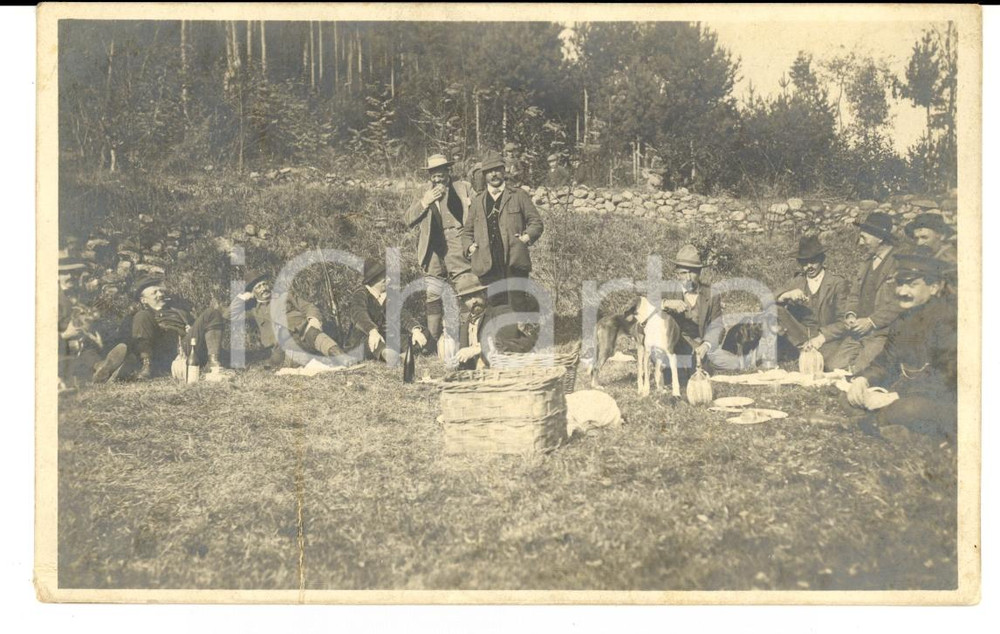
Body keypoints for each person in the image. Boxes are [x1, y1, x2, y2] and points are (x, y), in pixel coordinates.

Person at [846, 249, 957, 441]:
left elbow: (946, 376)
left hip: (938, 396)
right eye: (900, 284)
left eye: (912, 285)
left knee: (908, 408)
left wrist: (895, 395)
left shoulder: (947, 319)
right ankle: (892, 427)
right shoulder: (902, 319)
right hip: (906, 393)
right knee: (849, 396)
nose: (902, 292)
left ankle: (868, 424)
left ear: (934, 287)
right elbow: (885, 362)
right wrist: (863, 380)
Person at [92, 276, 226, 382]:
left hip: (184, 350)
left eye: (161, 291)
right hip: (158, 352)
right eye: (154, 292)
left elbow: (201, 330)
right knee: (142, 316)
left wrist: (190, 327)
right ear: (144, 300)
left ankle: (213, 362)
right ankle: (145, 366)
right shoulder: (137, 316)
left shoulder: (180, 312)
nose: (160, 294)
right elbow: (125, 339)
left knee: (211, 313)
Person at [404, 154, 476, 343]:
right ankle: (432, 342)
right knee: (433, 293)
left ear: (447, 171)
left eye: (440, 174)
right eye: (433, 175)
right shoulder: (423, 192)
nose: (437, 179)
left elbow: (479, 213)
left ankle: (469, 337)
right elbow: (408, 219)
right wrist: (424, 202)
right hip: (433, 247)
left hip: (458, 241)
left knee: (467, 286)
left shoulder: (463, 188)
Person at [822, 212, 906, 374]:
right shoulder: (866, 263)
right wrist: (850, 315)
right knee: (832, 367)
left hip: (881, 333)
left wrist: (871, 321)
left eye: (864, 238)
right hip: (857, 332)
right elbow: (854, 295)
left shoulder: (899, 263)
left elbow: (900, 302)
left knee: (862, 371)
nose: (860, 243)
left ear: (879, 237)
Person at [462, 151, 544, 311]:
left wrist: (525, 238)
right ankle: (500, 336)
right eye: (489, 171)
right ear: (484, 174)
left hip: (514, 261)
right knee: (495, 308)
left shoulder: (518, 195)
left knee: (517, 305)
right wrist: (470, 248)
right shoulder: (478, 201)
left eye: (497, 169)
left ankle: (520, 335)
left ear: (504, 171)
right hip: (487, 264)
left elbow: (536, 223)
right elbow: (466, 232)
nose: (494, 174)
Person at [660, 244, 753, 374]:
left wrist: (707, 344)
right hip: (674, 345)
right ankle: (686, 366)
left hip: (701, 346)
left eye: (692, 273)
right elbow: (642, 304)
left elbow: (717, 324)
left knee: (737, 364)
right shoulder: (667, 290)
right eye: (683, 273)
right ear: (677, 274)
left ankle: (695, 364)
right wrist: (665, 303)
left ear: (700, 273)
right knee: (678, 364)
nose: (688, 278)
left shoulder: (711, 293)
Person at [228, 270, 343, 368]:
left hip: (303, 332)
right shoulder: (253, 311)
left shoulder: (284, 296)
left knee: (313, 332)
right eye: (258, 287)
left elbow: (308, 307)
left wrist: (314, 319)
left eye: (264, 284)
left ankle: (341, 357)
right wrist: (242, 298)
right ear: (252, 292)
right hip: (282, 348)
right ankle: (317, 363)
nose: (263, 288)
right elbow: (228, 315)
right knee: (291, 354)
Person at [773, 235, 850, 368]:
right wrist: (787, 295)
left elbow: (844, 321)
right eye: (804, 263)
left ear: (822, 259)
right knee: (775, 310)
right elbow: (768, 300)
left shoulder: (837, 283)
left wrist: (821, 337)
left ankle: (800, 353)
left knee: (830, 364)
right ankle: (801, 349)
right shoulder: (798, 281)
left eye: (812, 261)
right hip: (800, 335)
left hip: (824, 339)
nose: (808, 266)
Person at [343, 259, 428, 362]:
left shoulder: (390, 295)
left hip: (388, 338)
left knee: (420, 335)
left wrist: (415, 330)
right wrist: (372, 331)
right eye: (384, 276)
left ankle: (402, 354)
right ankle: (388, 354)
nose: (388, 279)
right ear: (374, 280)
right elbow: (359, 315)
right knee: (375, 343)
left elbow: (403, 314)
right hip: (364, 339)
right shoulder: (360, 294)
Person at [452, 273, 538, 369]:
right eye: (468, 297)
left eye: (476, 295)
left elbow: (510, 339)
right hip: (476, 379)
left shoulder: (501, 312)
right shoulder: (464, 328)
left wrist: (477, 349)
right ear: (463, 301)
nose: (473, 301)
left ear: (484, 294)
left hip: (506, 372)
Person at [58, 252, 103, 390]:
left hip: (82, 345)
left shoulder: (82, 295)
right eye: (65, 273)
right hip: (60, 347)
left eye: (74, 273)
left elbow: (89, 319)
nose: (70, 276)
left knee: (90, 353)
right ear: (57, 275)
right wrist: (64, 335)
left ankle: (102, 368)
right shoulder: (49, 297)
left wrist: (96, 335)